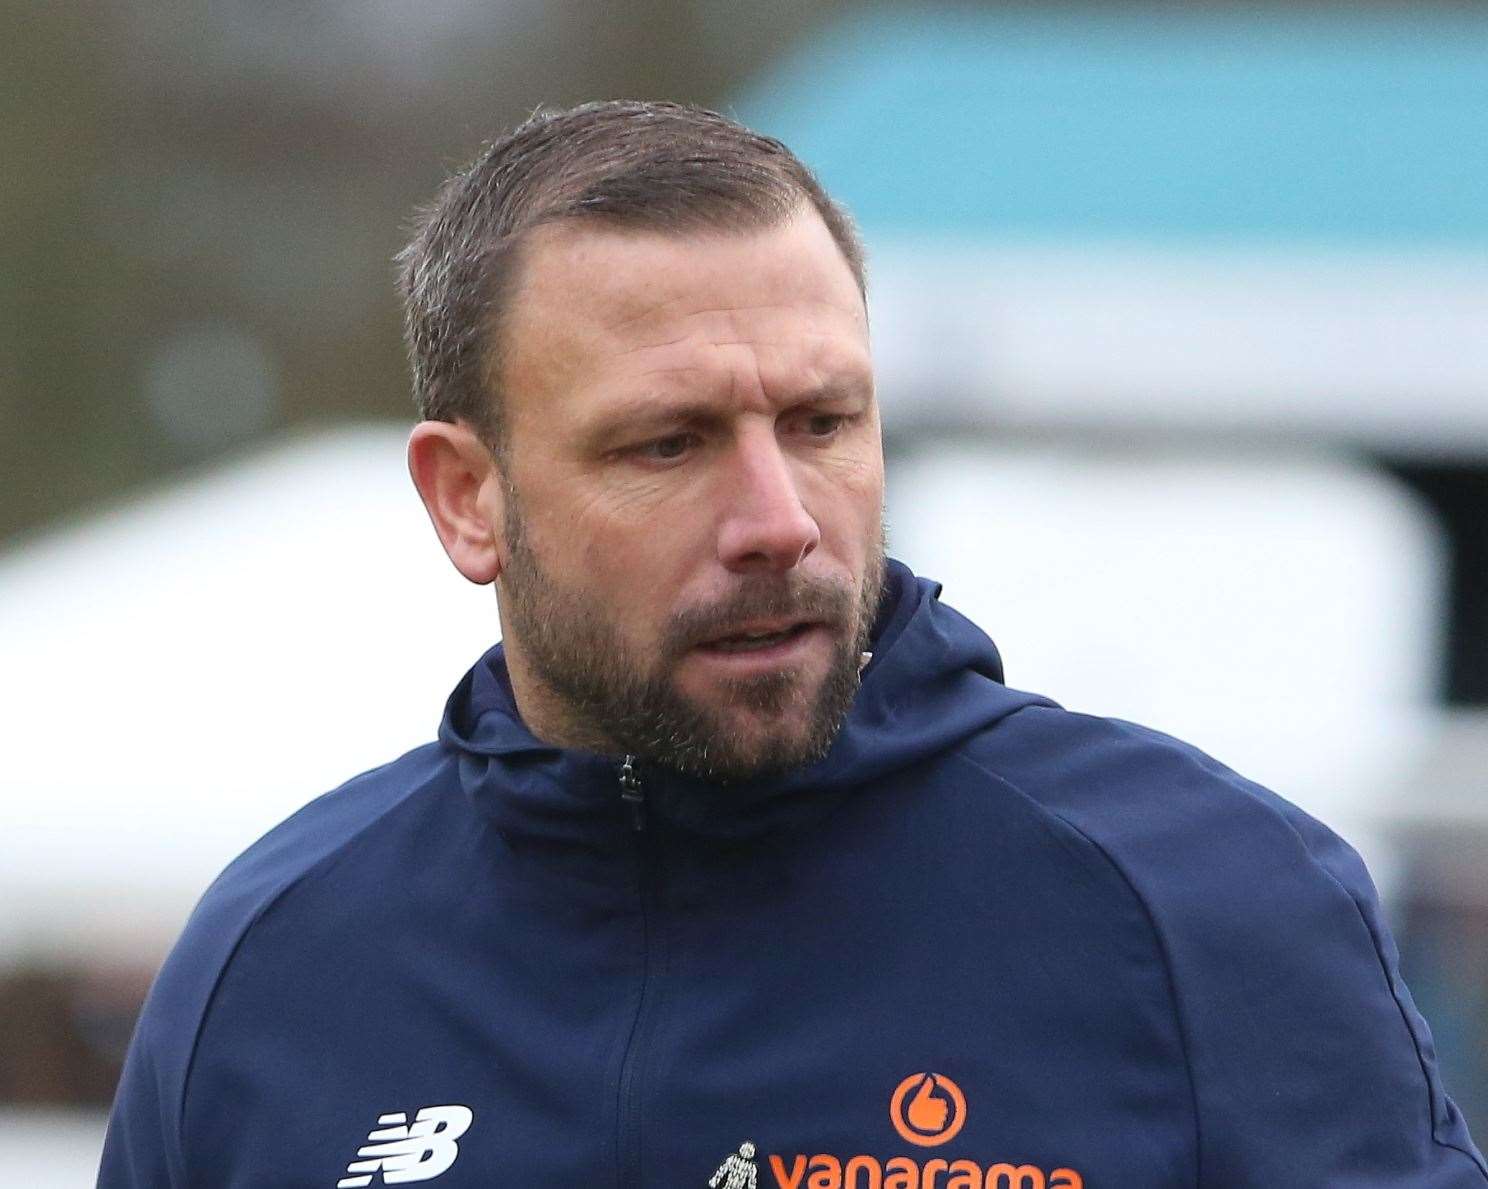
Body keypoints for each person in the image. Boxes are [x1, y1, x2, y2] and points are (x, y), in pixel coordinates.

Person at [98, 100, 1486, 1188]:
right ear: (469, 499)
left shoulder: (1209, 906)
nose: (779, 521)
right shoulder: (275, 966)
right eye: (668, 441)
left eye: (823, 423)